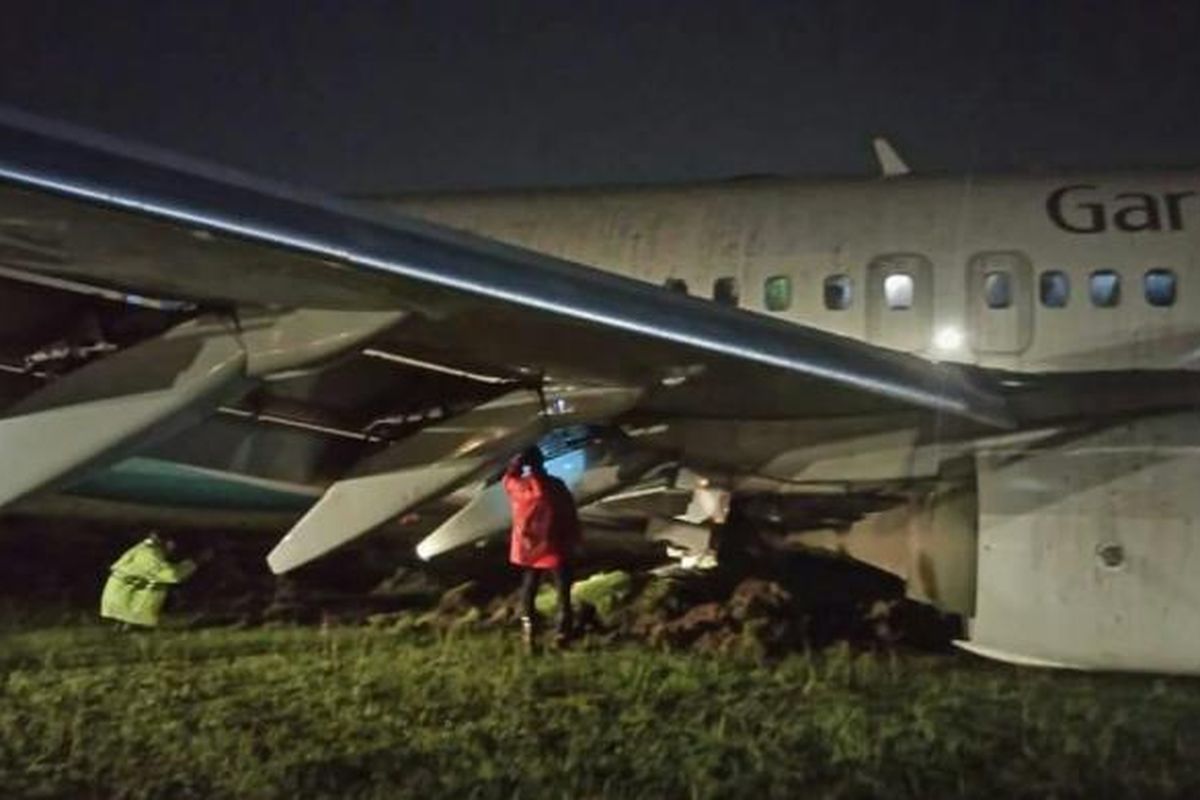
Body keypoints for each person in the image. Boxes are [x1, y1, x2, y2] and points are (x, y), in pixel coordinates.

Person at [503, 445, 581, 652]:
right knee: (563, 592)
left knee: (529, 588)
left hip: (530, 549)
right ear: (542, 462)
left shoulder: (518, 488)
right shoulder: (556, 485)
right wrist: (575, 539)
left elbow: (508, 478)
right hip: (557, 545)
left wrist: (515, 464)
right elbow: (570, 512)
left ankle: (529, 635)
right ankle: (563, 635)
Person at [100, 531, 204, 629]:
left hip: (120, 600)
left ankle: (125, 623)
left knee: (153, 584)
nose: (174, 546)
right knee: (165, 586)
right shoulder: (151, 555)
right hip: (125, 604)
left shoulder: (143, 549)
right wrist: (197, 561)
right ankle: (133, 622)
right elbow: (174, 576)